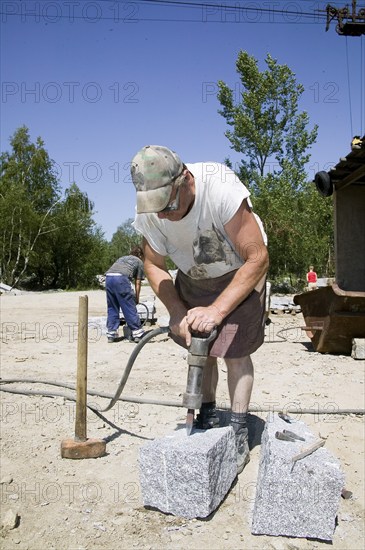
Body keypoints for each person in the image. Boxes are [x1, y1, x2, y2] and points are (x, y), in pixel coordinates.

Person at [130, 145, 269, 475]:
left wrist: (219, 310)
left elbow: (257, 257)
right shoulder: (152, 209)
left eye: (168, 205)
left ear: (186, 180)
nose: (162, 215)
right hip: (194, 275)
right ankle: (205, 413)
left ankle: (237, 428)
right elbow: (153, 264)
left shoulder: (219, 187)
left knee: (235, 353)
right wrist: (177, 311)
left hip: (241, 274)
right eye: (156, 209)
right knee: (201, 349)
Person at [105, 247, 146, 343]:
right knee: (129, 306)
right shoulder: (139, 262)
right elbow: (138, 282)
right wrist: (137, 298)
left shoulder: (122, 258)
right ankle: (137, 333)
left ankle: (111, 334)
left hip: (109, 278)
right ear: (140, 255)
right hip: (121, 279)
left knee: (112, 307)